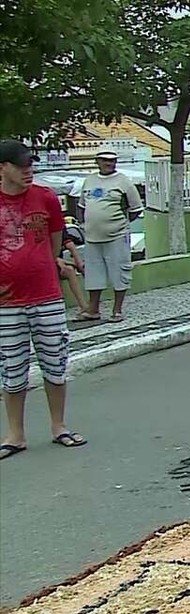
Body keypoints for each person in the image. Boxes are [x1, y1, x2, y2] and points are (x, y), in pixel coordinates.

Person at [1, 140, 87, 460]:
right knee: (12, 369)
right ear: (2, 168)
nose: (28, 171)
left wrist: (43, 266)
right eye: (21, 166)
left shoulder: (46, 197)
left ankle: (58, 425)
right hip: (6, 303)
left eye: (31, 165)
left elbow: (54, 241)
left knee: (55, 362)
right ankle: (15, 434)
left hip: (46, 296)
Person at [74, 147, 143, 322]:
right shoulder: (89, 180)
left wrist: (121, 224)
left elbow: (135, 209)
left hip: (116, 235)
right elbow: (81, 206)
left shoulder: (124, 181)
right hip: (91, 236)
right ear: (97, 162)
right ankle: (93, 309)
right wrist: (84, 224)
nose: (108, 163)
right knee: (93, 274)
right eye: (104, 160)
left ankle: (117, 310)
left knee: (120, 272)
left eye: (112, 161)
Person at [58, 222, 88, 315]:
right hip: (43, 260)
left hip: (56, 261)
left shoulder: (58, 224)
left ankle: (84, 306)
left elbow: (69, 244)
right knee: (69, 268)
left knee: (70, 270)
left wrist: (79, 263)